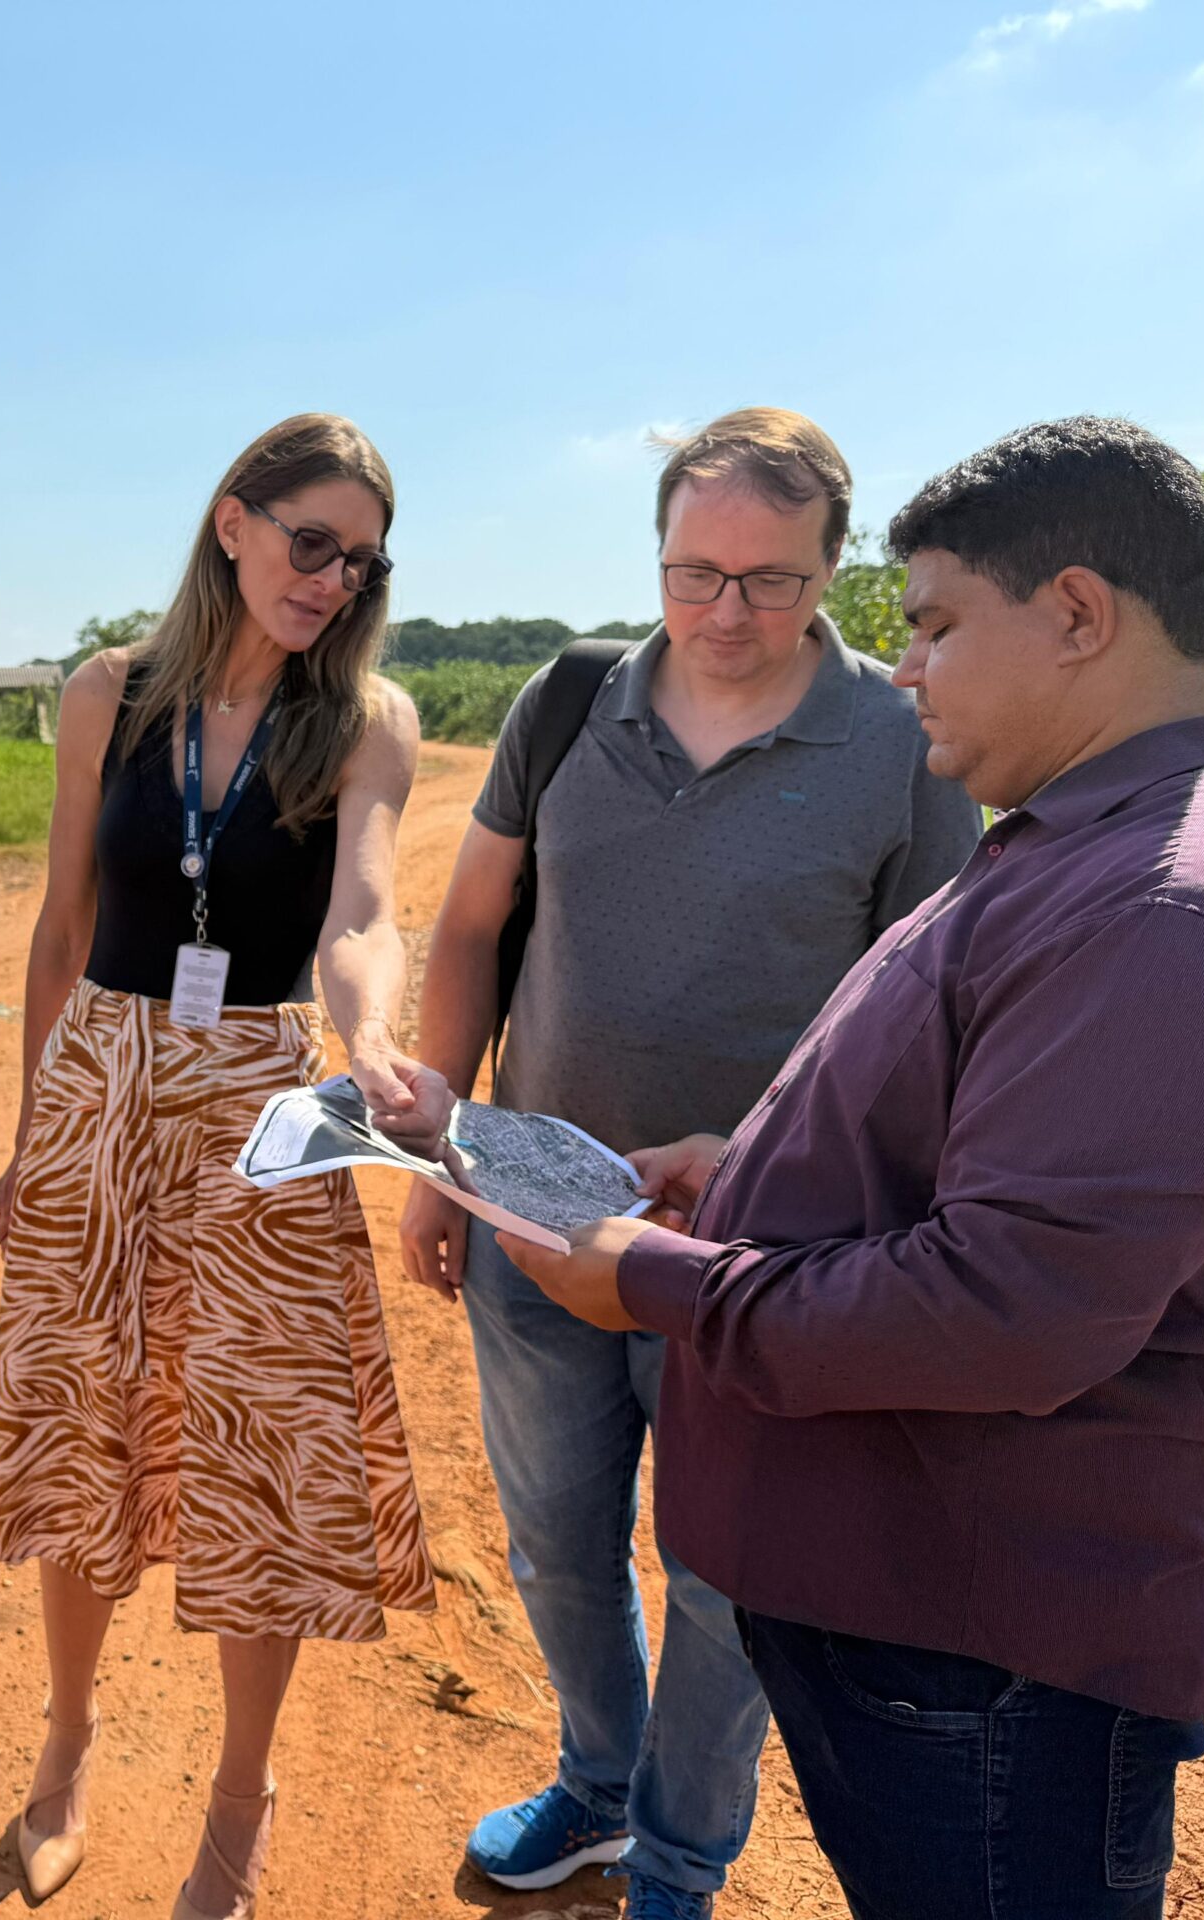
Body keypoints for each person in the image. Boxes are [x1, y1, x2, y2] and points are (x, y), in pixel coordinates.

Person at [507, 416, 1204, 1920]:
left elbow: (1010, 1306)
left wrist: (660, 1277)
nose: (907, 667)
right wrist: (750, 1170)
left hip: (989, 1675)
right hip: (950, 1629)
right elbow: (1007, 1159)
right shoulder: (1092, 837)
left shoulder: (1163, 905)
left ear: (1079, 614)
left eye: (936, 624)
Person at [394, 408, 980, 1916]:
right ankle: (597, 1782)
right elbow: (473, 926)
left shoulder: (905, 746)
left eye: (772, 579)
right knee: (555, 1542)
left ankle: (677, 1858)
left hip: (756, 1251)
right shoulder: (568, 699)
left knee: (725, 1580)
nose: (727, 611)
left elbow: (930, 1016)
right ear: (656, 555)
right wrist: (442, 1151)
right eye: (694, 572)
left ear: (835, 571)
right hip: (532, 1212)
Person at [0, 414, 456, 1920]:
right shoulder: (105, 694)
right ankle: (67, 1738)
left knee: (269, 1451)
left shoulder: (368, 717)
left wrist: (370, 1038)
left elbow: (360, 913)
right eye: (311, 542)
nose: (332, 580)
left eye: (360, 561)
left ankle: (241, 1800)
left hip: (263, 1099)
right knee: (84, 1432)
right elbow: (63, 926)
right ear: (233, 523)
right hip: (102, 1086)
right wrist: (32, 1137)